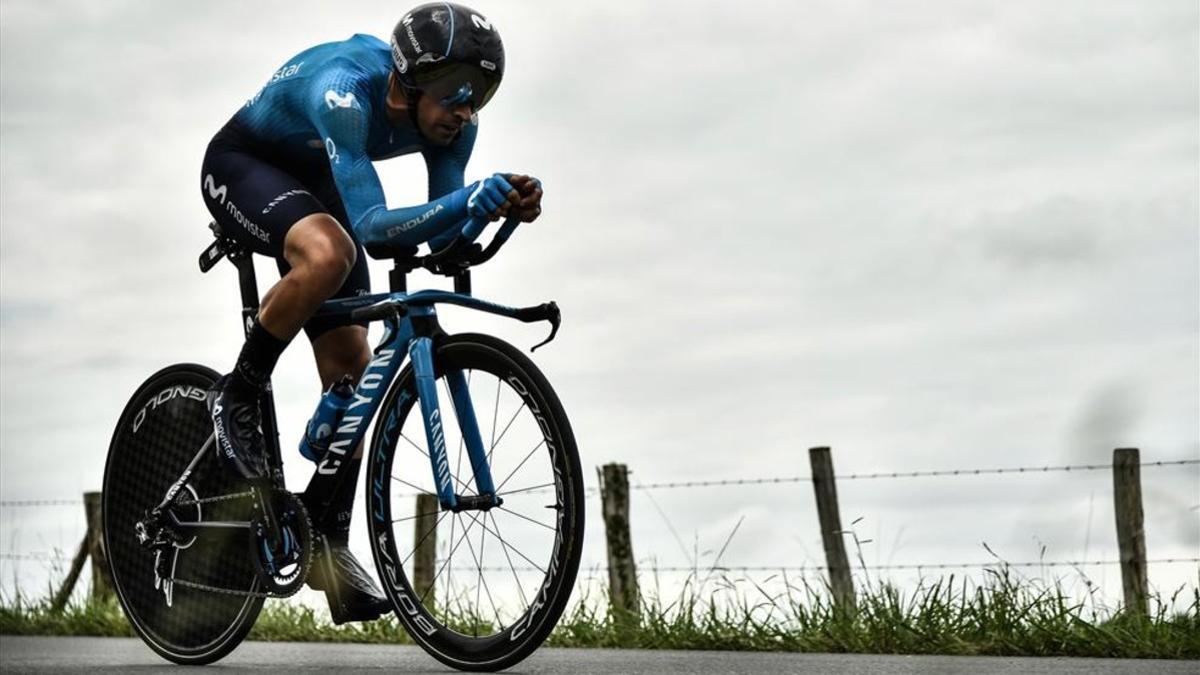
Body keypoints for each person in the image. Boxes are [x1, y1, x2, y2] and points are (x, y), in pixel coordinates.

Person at [198, 2, 542, 624]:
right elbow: (377, 231)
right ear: (407, 83)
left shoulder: (454, 129)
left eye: (478, 98)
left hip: (322, 179)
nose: (465, 111)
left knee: (354, 376)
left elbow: (440, 245)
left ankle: (327, 540)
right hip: (245, 163)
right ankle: (239, 393)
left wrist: (487, 210)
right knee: (331, 252)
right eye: (453, 95)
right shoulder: (344, 91)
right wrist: (468, 199)